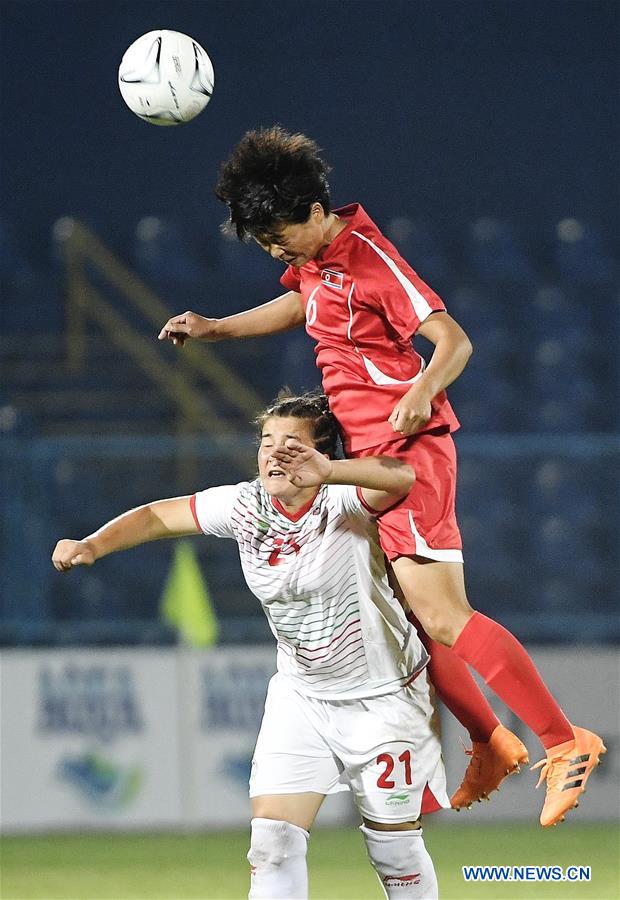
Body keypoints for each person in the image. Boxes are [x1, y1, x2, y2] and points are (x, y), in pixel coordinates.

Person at [157, 126, 605, 828]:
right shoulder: (315, 262)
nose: (275, 250)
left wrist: (424, 389)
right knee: (411, 623)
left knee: (442, 615)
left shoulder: (367, 257)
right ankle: (490, 742)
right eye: (263, 242)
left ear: (312, 212)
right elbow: (301, 304)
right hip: (361, 463)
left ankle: (563, 740)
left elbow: (454, 338)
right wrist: (214, 328)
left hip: (407, 454)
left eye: (278, 235)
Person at [53, 391, 450, 900]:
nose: (274, 453)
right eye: (266, 442)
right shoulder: (245, 505)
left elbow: (403, 477)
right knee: (273, 843)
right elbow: (157, 516)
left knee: (393, 850)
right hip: (302, 695)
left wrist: (330, 472)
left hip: (384, 696)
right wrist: (91, 544)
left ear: (321, 452)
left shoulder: (343, 498)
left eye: (292, 443)